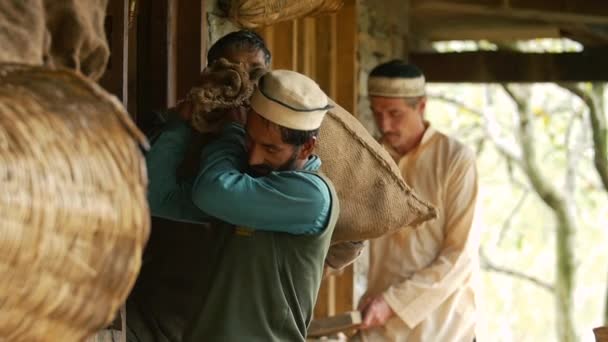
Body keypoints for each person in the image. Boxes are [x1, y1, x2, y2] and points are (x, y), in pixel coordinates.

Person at [143, 69, 339, 341]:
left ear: (306, 148)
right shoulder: (245, 183)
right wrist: (180, 125)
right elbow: (158, 195)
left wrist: (232, 133)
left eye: (270, 148)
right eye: (250, 139)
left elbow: (213, 191)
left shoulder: (312, 197)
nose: (255, 157)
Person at [356, 60, 482, 341]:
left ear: (421, 106)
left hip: (444, 328)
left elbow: (460, 256)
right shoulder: (371, 157)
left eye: (394, 113)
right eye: (377, 114)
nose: (385, 124)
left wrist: (393, 303)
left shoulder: (455, 159)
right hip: (379, 329)